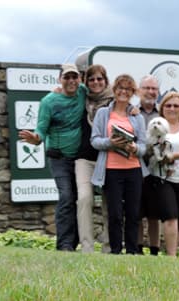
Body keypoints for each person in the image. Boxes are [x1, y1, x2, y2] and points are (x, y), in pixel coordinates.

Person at [19, 63, 86, 251]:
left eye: (75, 77)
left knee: (80, 199)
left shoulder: (83, 92)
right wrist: (36, 138)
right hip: (59, 158)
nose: (71, 81)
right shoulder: (49, 101)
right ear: (60, 80)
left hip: (80, 158)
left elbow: (105, 93)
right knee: (66, 197)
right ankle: (64, 245)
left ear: (79, 79)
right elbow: (41, 128)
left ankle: (74, 243)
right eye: (67, 77)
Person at [90, 74, 149, 254]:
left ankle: (132, 251)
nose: (124, 92)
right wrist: (111, 143)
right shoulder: (103, 113)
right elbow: (94, 140)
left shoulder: (136, 115)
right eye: (120, 88)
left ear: (133, 93)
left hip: (134, 170)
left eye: (128, 89)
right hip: (111, 170)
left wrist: (134, 148)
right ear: (114, 91)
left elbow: (144, 145)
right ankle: (115, 250)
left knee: (133, 214)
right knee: (115, 214)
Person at [143, 92, 179, 256]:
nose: (172, 108)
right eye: (168, 105)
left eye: (176, 105)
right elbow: (148, 148)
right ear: (162, 108)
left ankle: (172, 254)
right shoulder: (156, 126)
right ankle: (171, 258)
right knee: (171, 216)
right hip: (162, 178)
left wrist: (175, 156)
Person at [75, 64, 113, 253]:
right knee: (84, 198)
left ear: (105, 81)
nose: (96, 82)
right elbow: (63, 93)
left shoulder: (115, 102)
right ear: (86, 82)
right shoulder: (80, 99)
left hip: (108, 158)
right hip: (84, 159)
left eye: (99, 79)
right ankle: (87, 248)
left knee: (109, 202)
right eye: (92, 79)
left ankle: (108, 247)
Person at [136, 75, 161, 256]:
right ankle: (137, 248)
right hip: (135, 166)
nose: (150, 92)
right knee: (136, 211)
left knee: (154, 213)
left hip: (156, 168)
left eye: (154, 89)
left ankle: (154, 250)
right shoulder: (131, 112)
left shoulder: (163, 114)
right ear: (139, 90)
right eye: (147, 88)